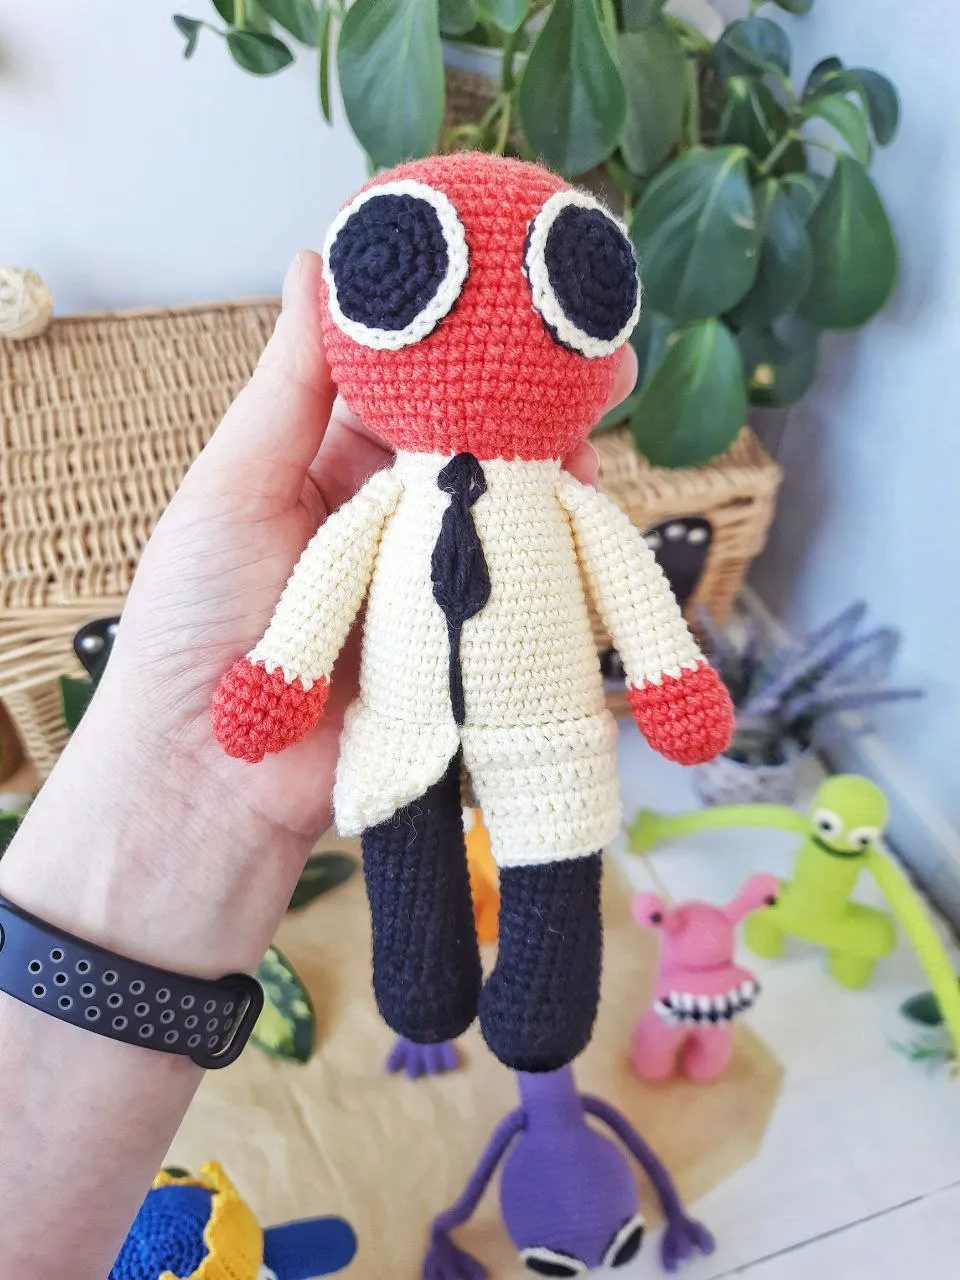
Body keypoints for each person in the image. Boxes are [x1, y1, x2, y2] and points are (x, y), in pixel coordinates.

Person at [0, 250, 638, 1278]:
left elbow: (632, 583)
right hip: (392, 728)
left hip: (548, 735)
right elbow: (323, 577)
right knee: (409, 849)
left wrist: (670, 677)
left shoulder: (552, 500)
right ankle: (427, 986)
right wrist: (277, 678)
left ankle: (540, 1003)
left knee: (553, 847)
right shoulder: (390, 501)